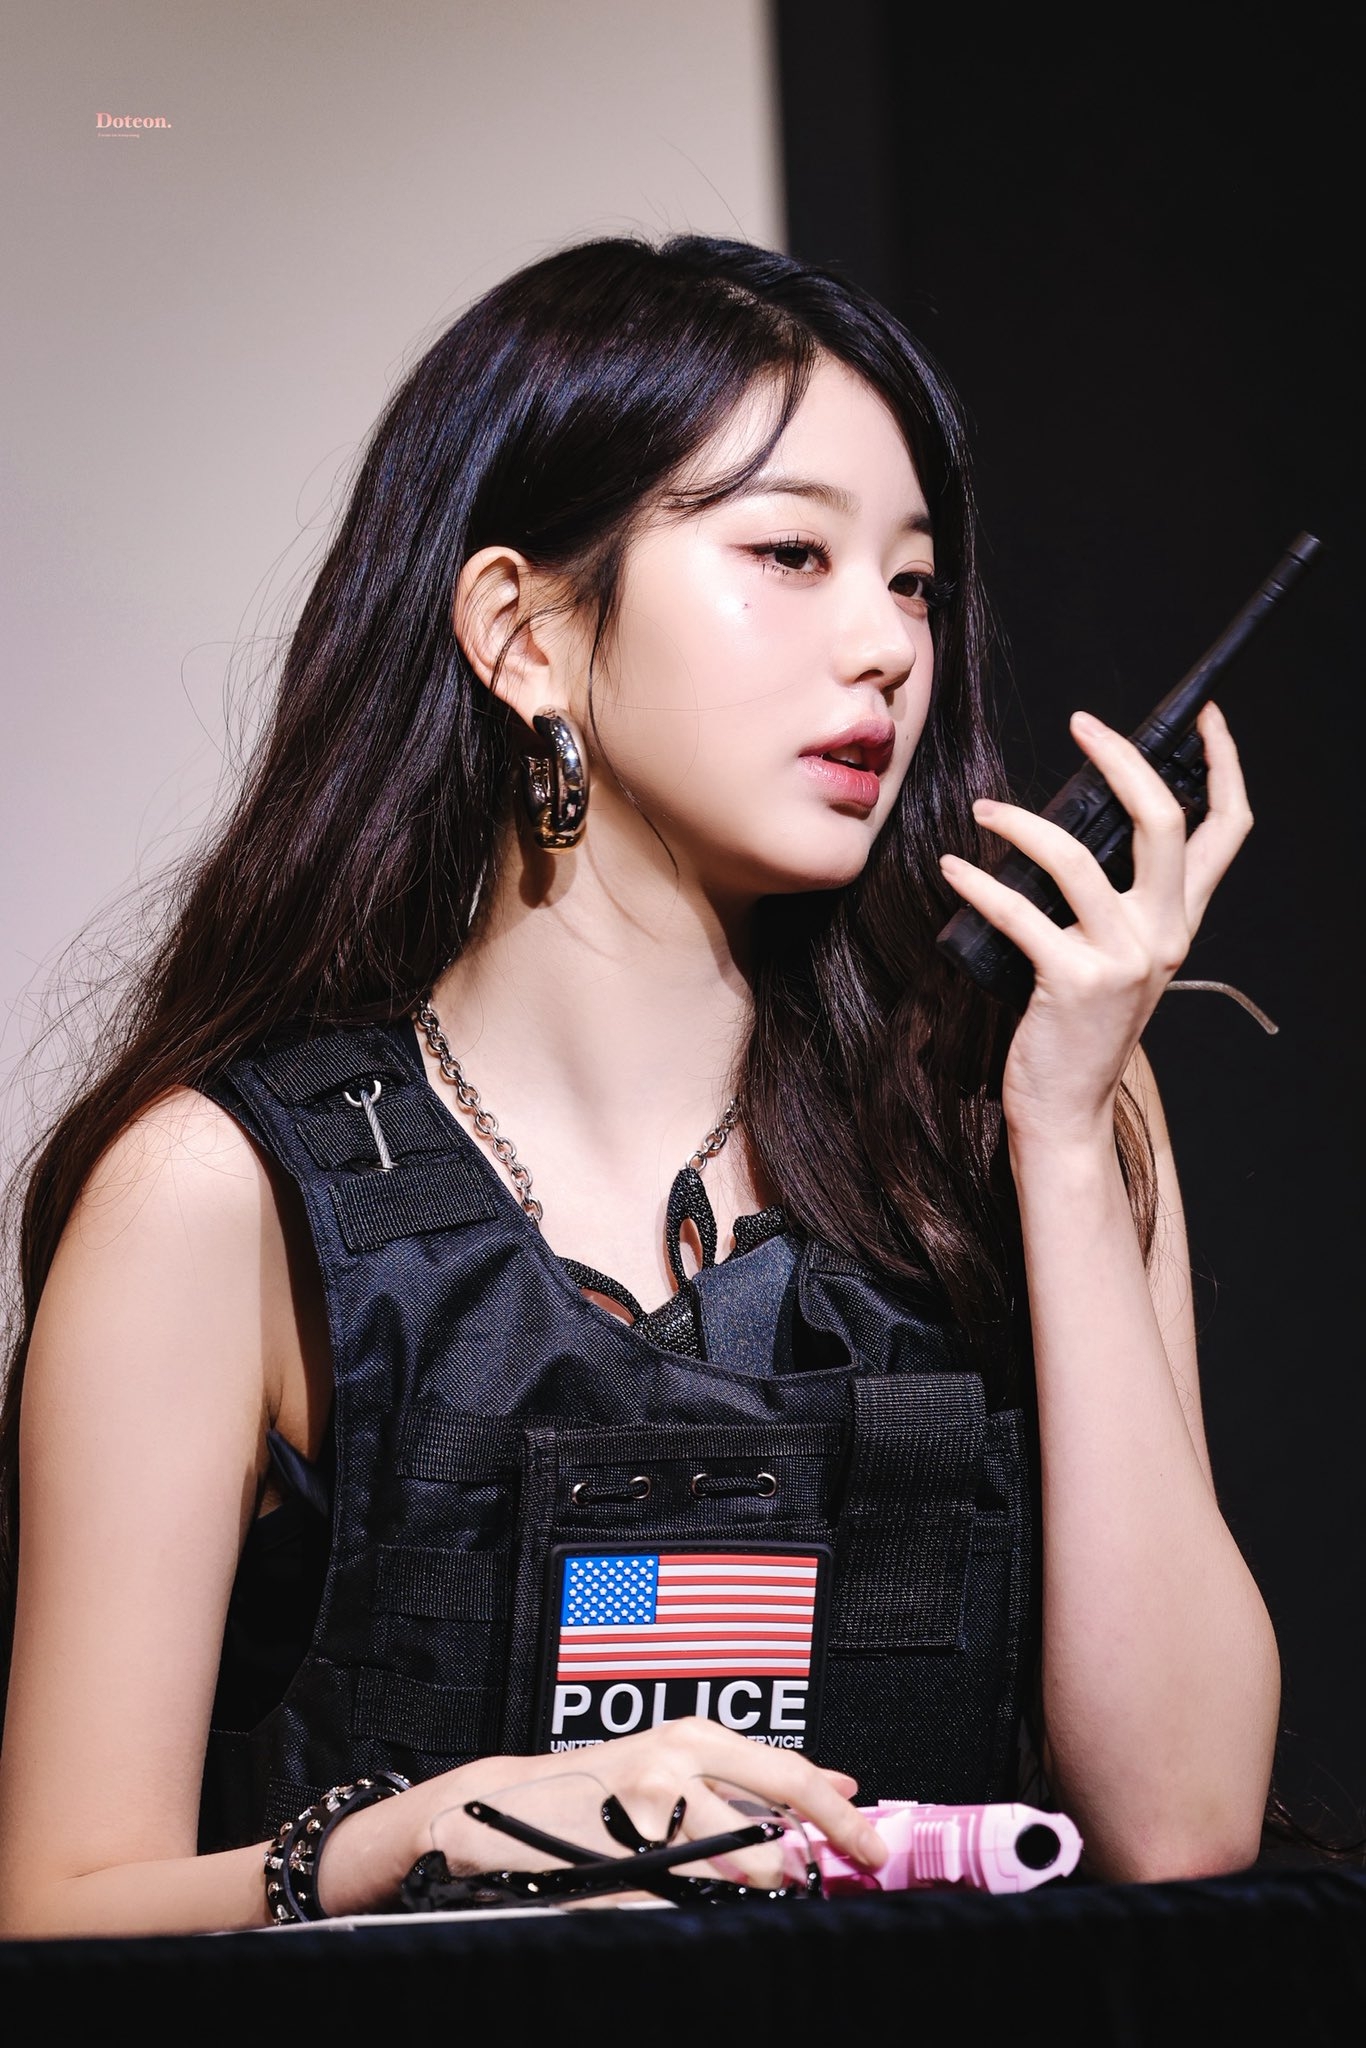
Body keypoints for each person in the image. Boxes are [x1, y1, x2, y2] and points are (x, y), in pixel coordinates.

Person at [0, 232, 1280, 1937]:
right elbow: (59, 1912)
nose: (886, 646)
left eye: (912, 581)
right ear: (522, 630)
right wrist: (412, 1841)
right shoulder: (217, 1195)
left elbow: (1182, 1826)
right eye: (789, 553)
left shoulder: (1036, 1116)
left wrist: (1053, 1138)